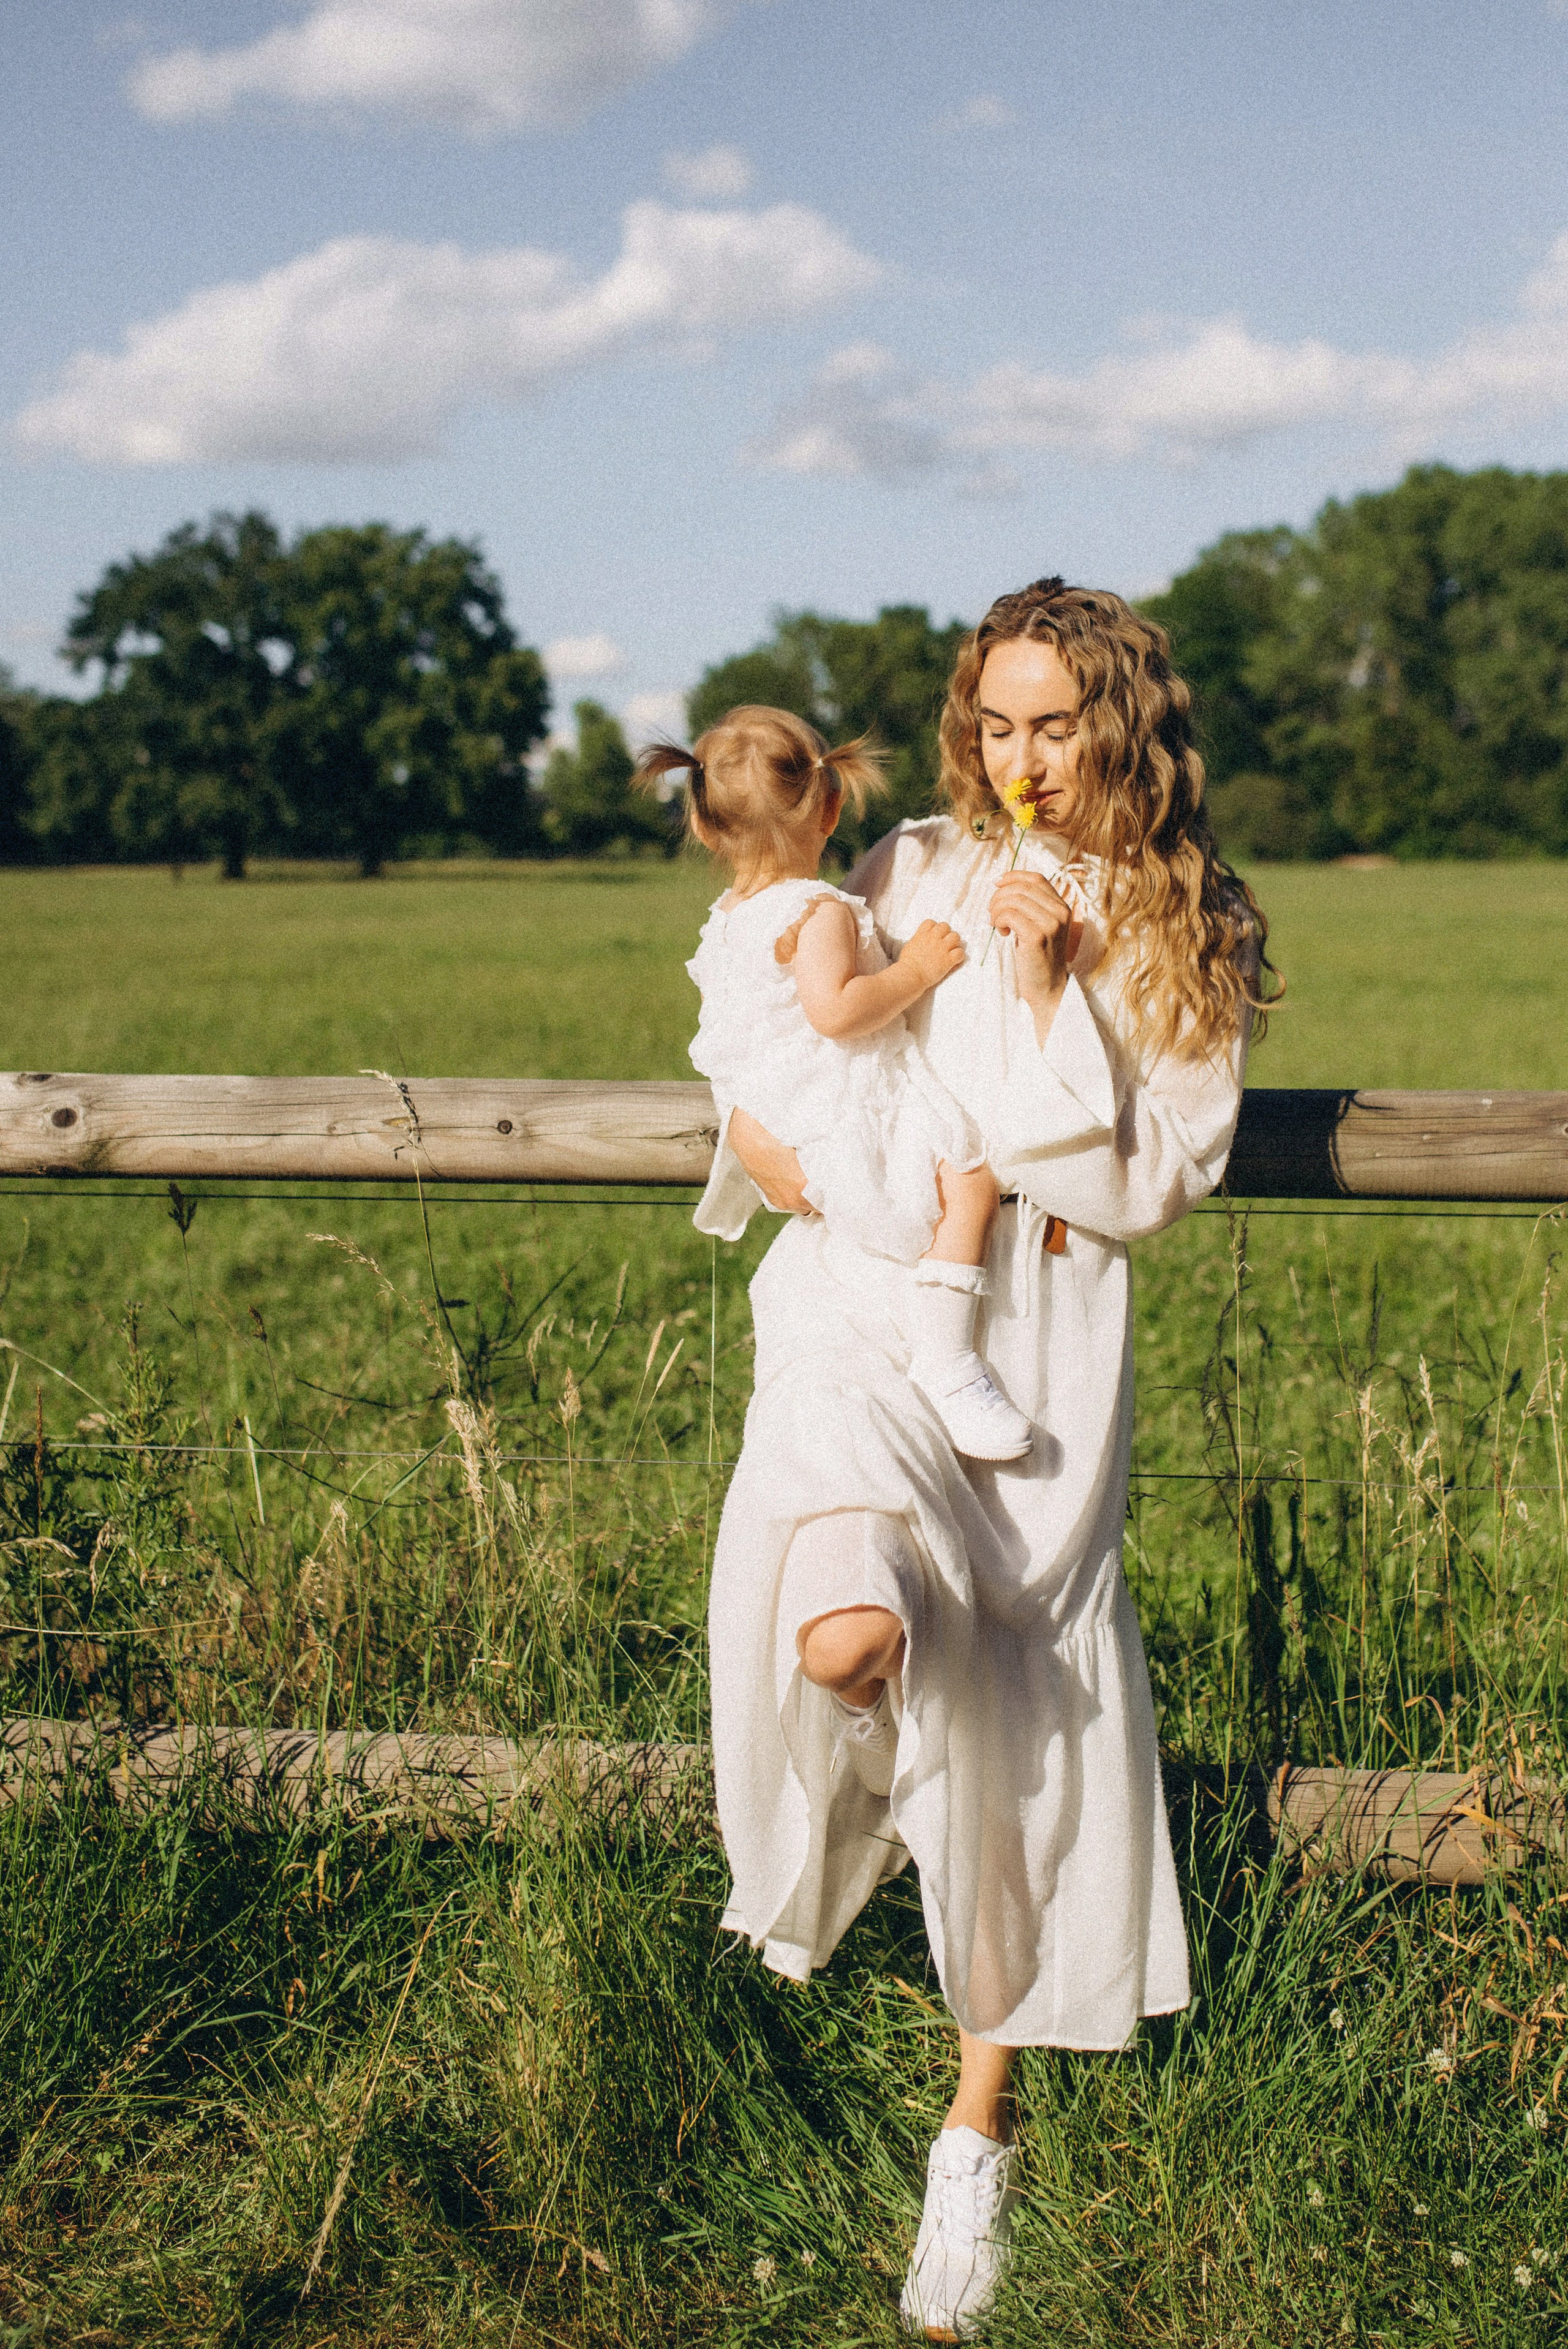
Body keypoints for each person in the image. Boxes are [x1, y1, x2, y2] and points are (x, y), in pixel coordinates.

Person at [693, 580, 1275, 2340]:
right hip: (860, 1313)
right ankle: (863, 1784)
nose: (1025, 759)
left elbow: (1150, 1181)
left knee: (1014, 1700)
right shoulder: (911, 866)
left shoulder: (1191, 917)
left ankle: (977, 2122)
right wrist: (750, 1132)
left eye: (1059, 723)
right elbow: (794, 1018)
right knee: (846, 1631)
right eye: (998, 722)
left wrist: (1042, 993)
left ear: (1124, 722)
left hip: (1039, 1344)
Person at [639, 706, 1036, 1505]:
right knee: (970, 1184)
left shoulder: (729, 921)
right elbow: (837, 1013)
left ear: (704, 825)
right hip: (840, 1100)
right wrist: (917, 970)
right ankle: (948, 1356)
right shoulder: (816, 913)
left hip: (778, 1107)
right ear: (830, 808)